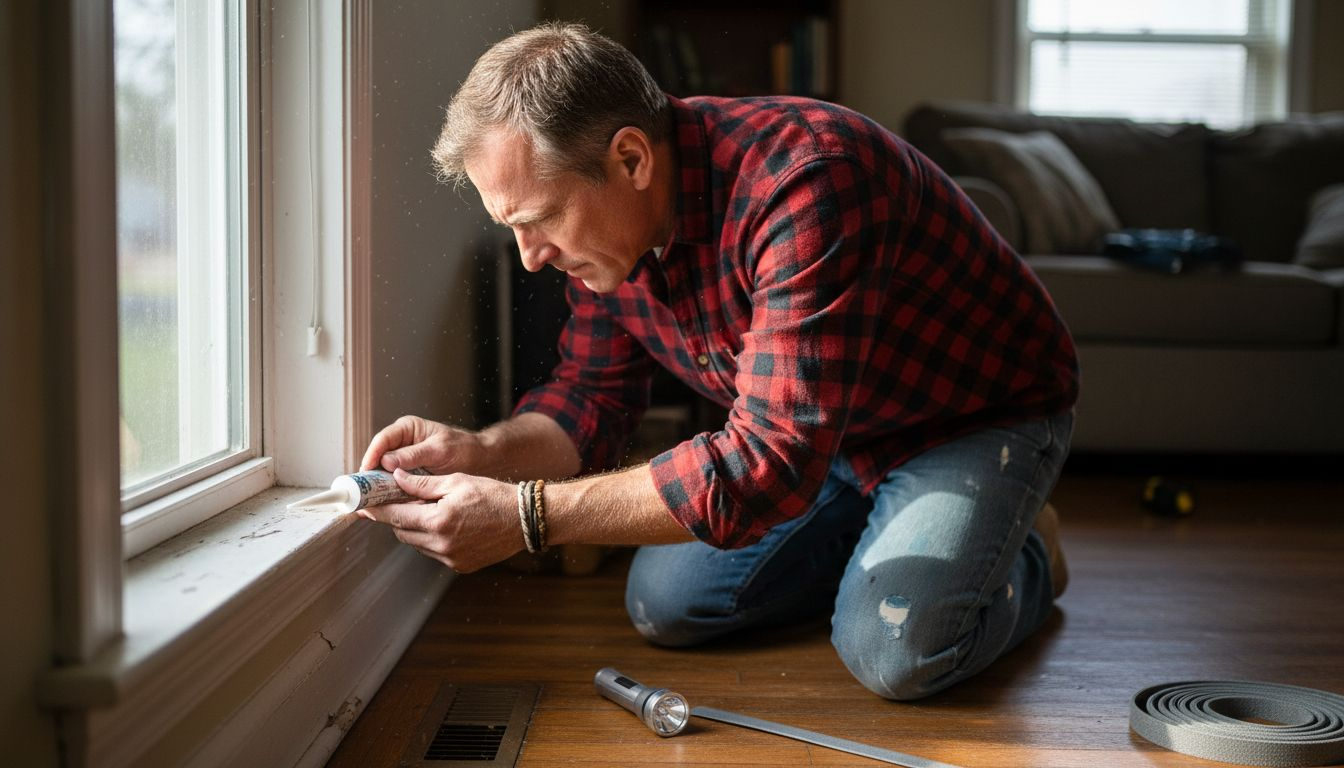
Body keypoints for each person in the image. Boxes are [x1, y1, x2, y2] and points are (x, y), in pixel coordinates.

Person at [357, 21, 1079, 701]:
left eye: (539, 218)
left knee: (897, 652)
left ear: (631, 159)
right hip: (825, 438)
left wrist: (528, 516)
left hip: (969, 421)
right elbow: (590, 396)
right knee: (666, 604)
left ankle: (1027, 554)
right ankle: (897, 542)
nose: (532, 256)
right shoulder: (613, 235)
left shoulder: (807, 179)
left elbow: (766, 459)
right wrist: (484, 452)